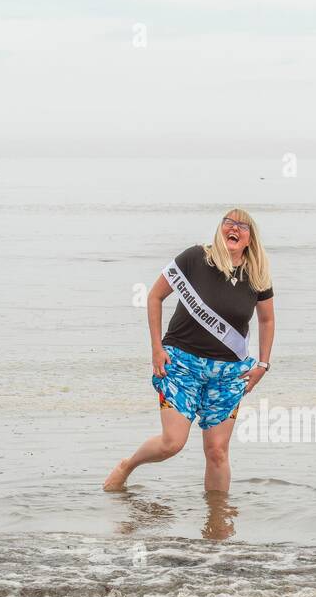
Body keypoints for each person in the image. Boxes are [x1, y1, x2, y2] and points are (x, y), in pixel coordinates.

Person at [103, 209, 275, 493]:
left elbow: (267, 320)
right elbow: (155, 296)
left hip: (228, 372)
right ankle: (128, 465)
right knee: (173, 443)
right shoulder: (196, 258)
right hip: (181, 363)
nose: (234, 228)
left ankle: (217, 524)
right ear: (220, 230)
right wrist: (156, 348)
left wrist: (263, 364)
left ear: (250, 238)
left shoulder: (257, 275)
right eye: (228, 223)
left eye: (242, 226)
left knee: (217, 452)